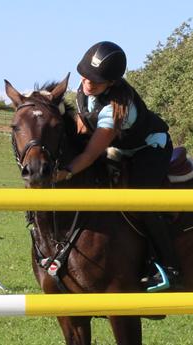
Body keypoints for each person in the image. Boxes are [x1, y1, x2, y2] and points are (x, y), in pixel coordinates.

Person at [55, 41, 182, 292]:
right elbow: (83, 129)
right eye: (85, 76)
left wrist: (66, 172)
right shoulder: (85, 89)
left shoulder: (114, 110)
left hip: (150, 148)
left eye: (96, 81)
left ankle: (169, 268)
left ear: (111, 83)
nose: (88, 83)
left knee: (141, 201)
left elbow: (90, 154)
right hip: (121, 148)